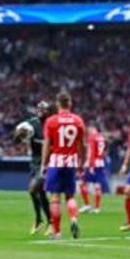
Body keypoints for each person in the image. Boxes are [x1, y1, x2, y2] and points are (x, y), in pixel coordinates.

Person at [41, 92, 86, 240]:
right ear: (70, 104)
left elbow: (47, 144)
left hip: (56, 162)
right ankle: (73, 219)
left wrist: (44, 163)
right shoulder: (78, 121)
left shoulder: (51, 121)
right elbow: (82, 145)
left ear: (57, 104)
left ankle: (57, 232)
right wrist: (81, 163)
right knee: (70, 196)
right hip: (71, 162)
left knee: (55, 198)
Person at [13, 101, 53, 235]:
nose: (40, 111)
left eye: (44, 109)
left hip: (48, 162)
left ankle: (45, 221)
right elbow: (16, 140)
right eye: (39, 108)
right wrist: (19, 135)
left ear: (49, 111)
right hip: (35, 162)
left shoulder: (52, 124)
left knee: (33, 189)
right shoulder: (31, 124)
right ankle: (45, 221)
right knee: (39, 193)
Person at [79, 124, 109, 214]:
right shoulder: (101, 137)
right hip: (100, 163)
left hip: (92, 164)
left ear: (92, 128)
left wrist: (91, 165)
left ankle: (87, 205)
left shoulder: (92, 137)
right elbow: (104, 152)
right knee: (97, 186)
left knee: (82, 183)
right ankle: (97, 208)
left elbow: (91, 152)